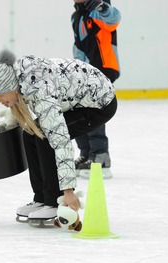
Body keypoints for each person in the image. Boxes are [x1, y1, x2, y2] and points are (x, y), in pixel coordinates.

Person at [0, 49, 117, 221]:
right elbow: (21, 100)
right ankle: (41, 198)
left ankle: (53, 202)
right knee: (30, 134)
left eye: (1, 94)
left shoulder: (41, 92)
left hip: (100, 103)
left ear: (11, 87)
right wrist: (11, 119)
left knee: (46, 137)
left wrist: (68, 192)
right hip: (77, 98)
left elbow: (61, 142)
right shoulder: (21, 78)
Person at [71, 0, 121, 178]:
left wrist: (102, 6)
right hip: (85, 72)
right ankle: (86, 154)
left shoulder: (100, 10)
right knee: (79, 110)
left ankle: (101, 157)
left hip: (104, 68)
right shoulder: (76, 16)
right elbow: (78, 46)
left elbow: (114, 19)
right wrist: (76, 70)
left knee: (93, 111)